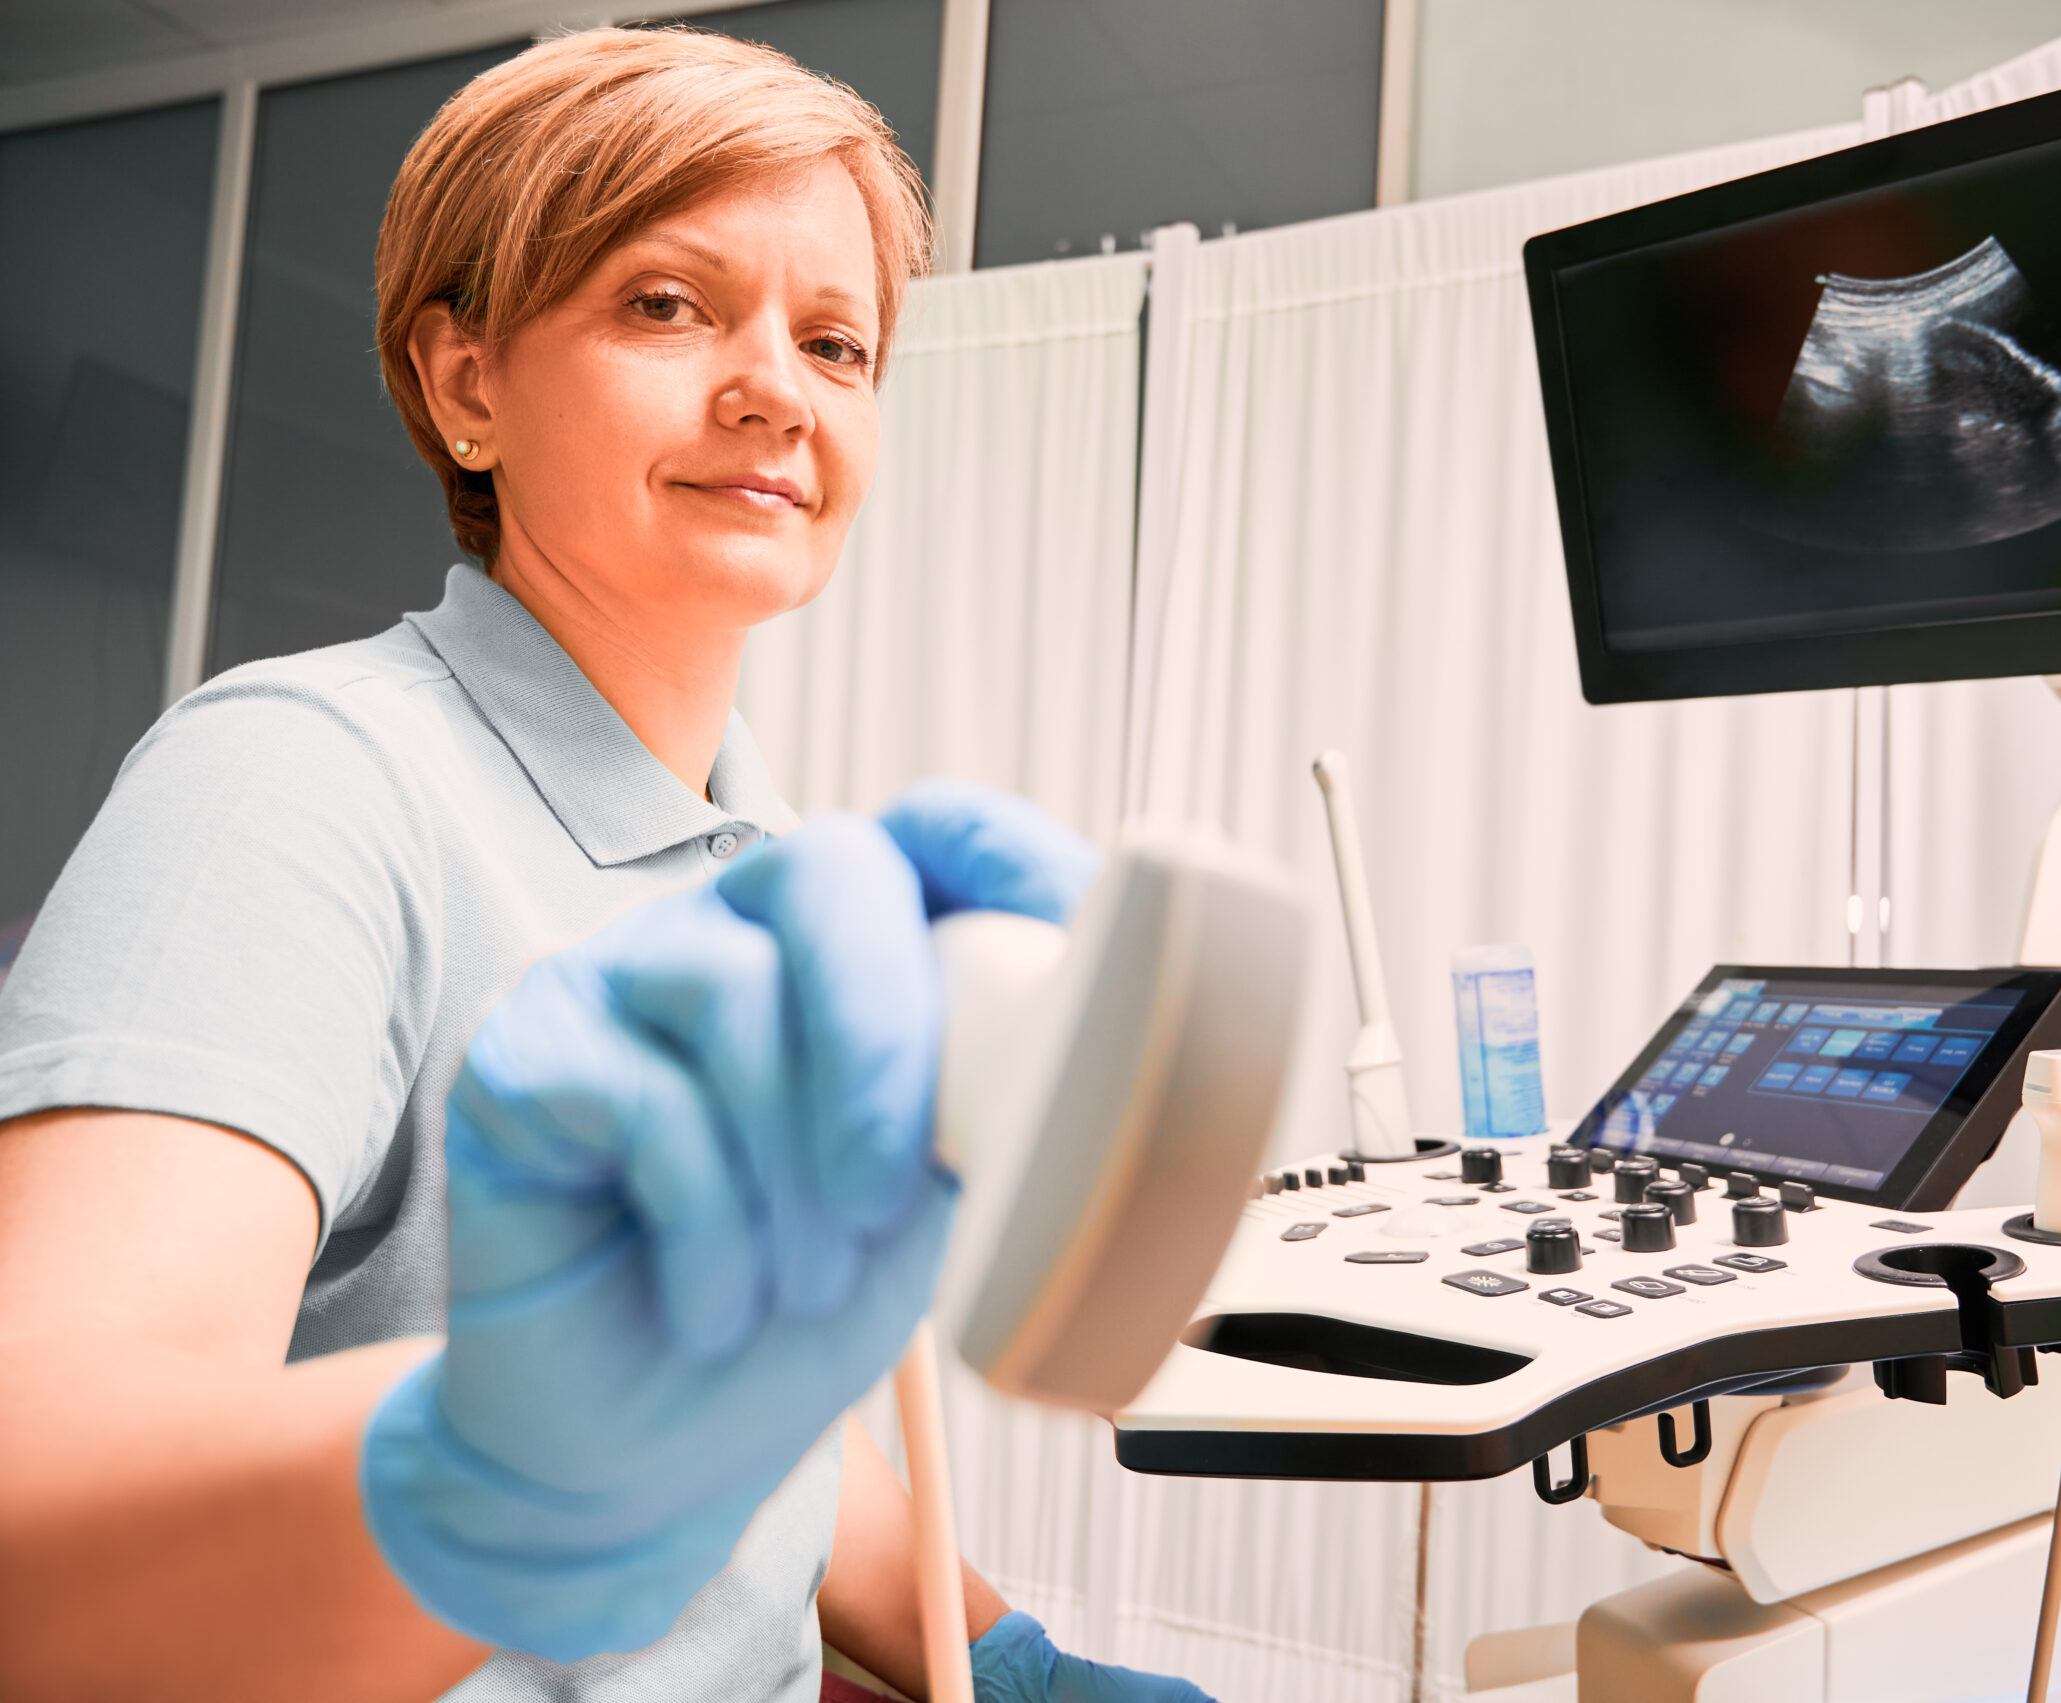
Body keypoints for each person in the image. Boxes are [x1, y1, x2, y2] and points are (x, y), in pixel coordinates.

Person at [0, 28, 1211, 1703]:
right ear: (466, 386)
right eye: (666, 304)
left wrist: (1009, 1658)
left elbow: (778, 1445)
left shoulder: (766, 862)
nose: (779, 390)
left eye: (837, 344)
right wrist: (511, 1472)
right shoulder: (296, 783)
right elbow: (38, 1555)